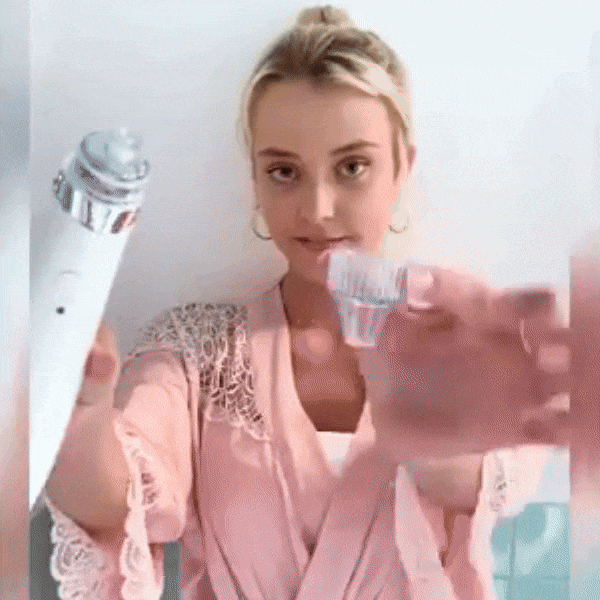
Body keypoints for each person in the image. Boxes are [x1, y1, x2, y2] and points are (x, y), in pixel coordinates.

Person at [36, 5, 585, 600]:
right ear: (255, 180)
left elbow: (486, 487)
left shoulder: (462, 338)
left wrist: (432, 440)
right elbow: (114, 503)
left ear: (402, 167)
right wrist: (81, 410)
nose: (318, 209)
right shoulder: (194, 352)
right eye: (284, 172)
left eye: (352, 167)